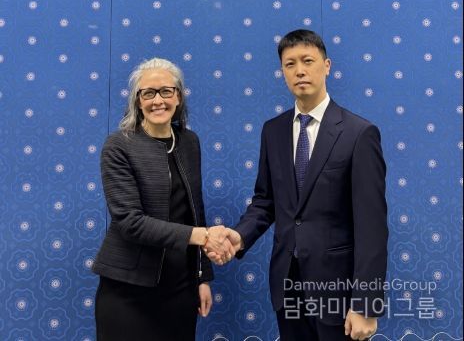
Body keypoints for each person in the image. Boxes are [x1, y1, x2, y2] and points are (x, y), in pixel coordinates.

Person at [206, 30, 388, 341]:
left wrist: (367, 304)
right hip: (287, 286)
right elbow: (265, 201)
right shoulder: (273, 131)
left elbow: (372, 226)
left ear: (327, 66)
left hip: (339, 292)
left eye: (308, 61)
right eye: (290, 64)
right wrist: (239, 236)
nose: (299, 70)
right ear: (283, 72)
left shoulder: (359, 133)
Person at [93, 57, 234, 341]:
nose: (158, 100)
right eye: (148, 93)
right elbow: (130, 222)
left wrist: (202, 277)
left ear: (178, 97)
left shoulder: (189, 142)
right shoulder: (119, 146)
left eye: (166, 91)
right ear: (138, 101)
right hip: (127, 289)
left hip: (180, 288)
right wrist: (203, 236)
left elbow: (195, 210)